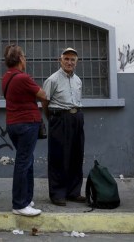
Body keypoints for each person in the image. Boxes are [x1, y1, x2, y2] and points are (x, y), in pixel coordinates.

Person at [2, 44, 48, 217]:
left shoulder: (6, 76)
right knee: (23, 162)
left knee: (26, 160)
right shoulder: (22, 77)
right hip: (26, 124)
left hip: (13, 123)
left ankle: (26, 198)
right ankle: (20, 204)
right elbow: (43, 94)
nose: (26, 59)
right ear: (20, 58)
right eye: (24, 56)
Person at [42, 47, 84, 206]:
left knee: (76, 155)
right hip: (60, 119)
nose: (69, 62)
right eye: (66, 59)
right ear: (60, 60)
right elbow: (44, 102)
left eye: (72, 59)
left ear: (76, 62)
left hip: (77, 118)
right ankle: (57, 194)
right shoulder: (52, 80)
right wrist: (53, 119)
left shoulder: (78, 80)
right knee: (58, 157)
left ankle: (74, 192)